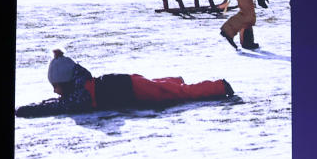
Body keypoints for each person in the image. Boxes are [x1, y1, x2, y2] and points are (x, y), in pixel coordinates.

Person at [15, 49, 234, 117]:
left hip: (133, 89)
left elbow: (58, 106)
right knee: (166, 88)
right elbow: (58, 102)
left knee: (180, 94)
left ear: (66, 82)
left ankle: (219, 86)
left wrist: (28, 110)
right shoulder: (82, 84)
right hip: (128, 83)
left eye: (57, 87)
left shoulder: (80, 96)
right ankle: (172, 82)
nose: (55, 92)